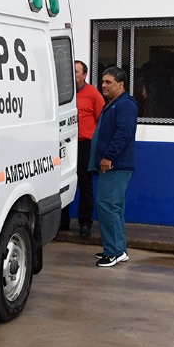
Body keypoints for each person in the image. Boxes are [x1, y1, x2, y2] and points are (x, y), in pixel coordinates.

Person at [91, 66, 137, 268]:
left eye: (109, 82)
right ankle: (118, 249)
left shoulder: (125, 105)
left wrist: (108, 156)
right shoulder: (113, 104)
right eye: (103, 82)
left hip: (115, 166)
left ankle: (114, 252)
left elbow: (123, 133)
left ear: (121, 84)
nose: (104, 85)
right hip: (113, 166)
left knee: (107, 207)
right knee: (114, 208)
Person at [72, 60, 105, 238]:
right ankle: (61, 221)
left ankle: (85, 223)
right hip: (66, 143)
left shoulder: (93, 94)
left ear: (84, 74)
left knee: (85, 183)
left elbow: (101, 120)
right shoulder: (64, 92)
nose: (73, 73)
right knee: (63, 182)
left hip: (85, 144)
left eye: (77, 71)